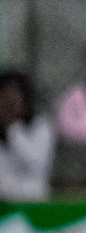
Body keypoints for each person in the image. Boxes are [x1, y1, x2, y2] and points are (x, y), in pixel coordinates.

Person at [0, 71, 54, 203]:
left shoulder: (41, 128)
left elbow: (36, 165)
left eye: (13, 101)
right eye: (4, 100)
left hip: (32, 202)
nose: (8, 107)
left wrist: (13, 129)